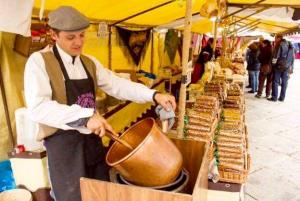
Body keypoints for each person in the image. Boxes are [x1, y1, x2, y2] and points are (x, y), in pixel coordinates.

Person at [24, 6, 176, 201]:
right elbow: (38, 108)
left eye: (82, 35)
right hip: (64, 149)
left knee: (100, 193)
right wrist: (85, 117)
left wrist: (154, 95)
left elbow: (117, 84)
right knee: (73, 197)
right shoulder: (39, 62)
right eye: (71, 38)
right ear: (53, 34)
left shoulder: (89, 62)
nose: (78, 42)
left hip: (92, 143)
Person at [268, 34, 295, 102]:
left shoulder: (280, 45)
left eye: (275, 38)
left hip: (279, 66)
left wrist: (273, 65)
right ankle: (282, 98)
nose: (275, 39)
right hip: (287, 67)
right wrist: (291, 68)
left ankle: (274, 97)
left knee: (275, 82)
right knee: (284, 83)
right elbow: (293, 58)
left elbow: (276, 56)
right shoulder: (290, 45)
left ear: (279, 38)